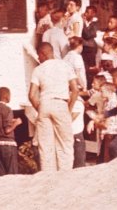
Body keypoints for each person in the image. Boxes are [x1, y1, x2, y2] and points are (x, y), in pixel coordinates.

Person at [28, 42, 80, 172]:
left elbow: (31, 95)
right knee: (65, 144)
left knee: (45, 146)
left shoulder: (38, 69)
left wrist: (39, 108)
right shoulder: (65, 65)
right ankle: (65, 175)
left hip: (44, 104)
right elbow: (75, 90)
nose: (38, 59)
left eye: (39, 56)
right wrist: (68, 109)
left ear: (43, 54)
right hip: (61, 103)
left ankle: (48, 176)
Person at [0, 87, 21, 176]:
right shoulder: (7, 109)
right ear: (6, 95)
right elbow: (7, 130)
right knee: (12, 173)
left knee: (0, 174)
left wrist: (11, 121)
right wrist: (16, 123)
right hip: (8, 144)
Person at [99, 81, 117, 163]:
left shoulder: (112, 103)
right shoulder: (109, 102)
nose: (100, 93)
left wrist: (95, 124)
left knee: (108, 159)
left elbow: (106, 124)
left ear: (109, 91)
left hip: (111, 133)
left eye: (102, 91)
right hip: (112, 132)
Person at [80, 5, 100, 82]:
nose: (85, 14)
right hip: (84, 48)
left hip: (90, 49)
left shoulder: (95, 23)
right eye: (85, 11)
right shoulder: (85, 22)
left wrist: (83, 22)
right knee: (84, 68)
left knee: (90, 69)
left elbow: (88, 34)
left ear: (93, 14)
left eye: (88, 12)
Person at [69, 95, 86, 168]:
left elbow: (71, 118)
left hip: (76, 134)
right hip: (69, 134)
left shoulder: (77, 103)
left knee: (79, 161)